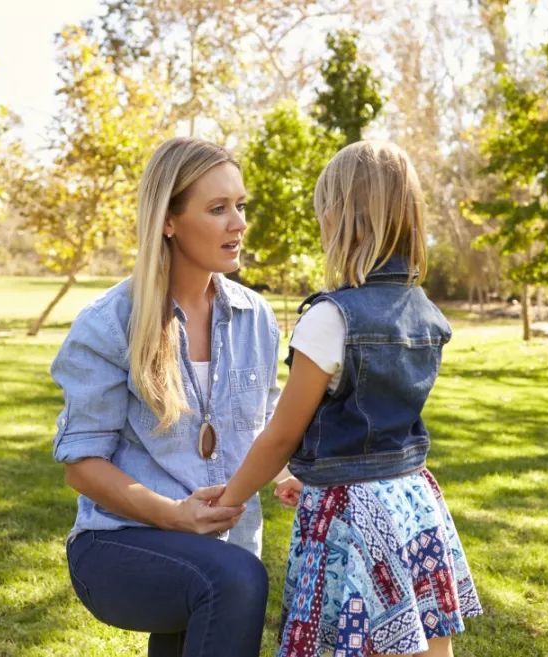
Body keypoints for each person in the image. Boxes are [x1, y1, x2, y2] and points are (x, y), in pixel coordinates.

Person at [217, 140, 482, 657]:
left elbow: (281, 435)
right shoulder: (423, 310)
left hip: (351, 515)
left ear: (339, 216)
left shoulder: (330, 318)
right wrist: (311, 471)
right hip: (413, 501)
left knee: (345, 641)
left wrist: (228, 502)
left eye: (323, 211)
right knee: (426, 639)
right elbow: (374, 418)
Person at [50, 137, 296, 657]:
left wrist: (286, 472)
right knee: (234, 581)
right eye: (217, 208)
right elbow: (81, 465)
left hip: (219, 548)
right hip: (117, 544)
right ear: (169, 220)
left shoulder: (256, 318)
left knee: (222, 581)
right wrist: (172, 515)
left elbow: (265, 419)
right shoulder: (109, 323)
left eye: (240, 205)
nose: (239, 223)